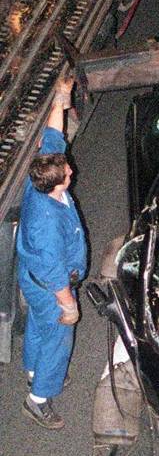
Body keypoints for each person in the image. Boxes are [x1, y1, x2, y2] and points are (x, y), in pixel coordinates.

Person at [17, 75, 87, 430]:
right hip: (51, 289)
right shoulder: (46, 225)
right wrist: (69, 306)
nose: (71, 169)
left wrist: (60, 99)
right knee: (59, 337)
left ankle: (33, 371)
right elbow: (55, 270)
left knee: (38, 329)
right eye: (68, 172)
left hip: (32, 282)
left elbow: (54, 138)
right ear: (58, 181)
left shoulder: (41, 179)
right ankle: (38, 398)